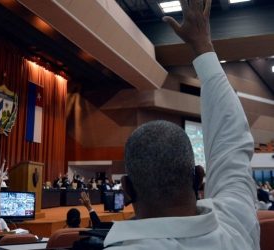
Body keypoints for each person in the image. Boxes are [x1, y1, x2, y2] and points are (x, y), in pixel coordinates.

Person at [104, 1, 259, 249]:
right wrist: (202, 43)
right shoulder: (235, 222)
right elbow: (231, 144)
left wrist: (202, 45)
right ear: (199, 177)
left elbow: (231, 143)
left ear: (127, 189)